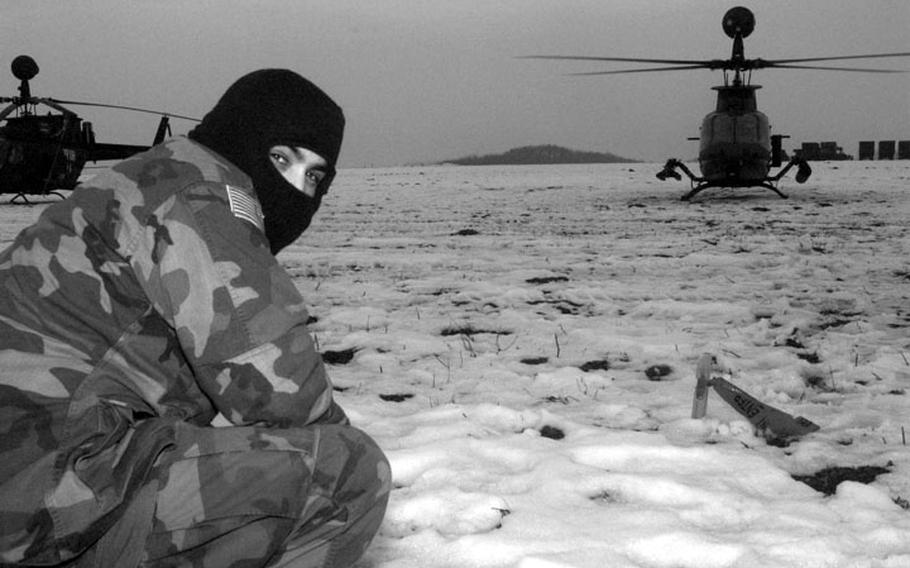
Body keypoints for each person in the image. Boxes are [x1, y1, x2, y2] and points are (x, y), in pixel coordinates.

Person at [0, 69, 390, 567]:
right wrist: (338, 435)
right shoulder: (202, 191)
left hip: (33, 476)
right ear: (241, 140)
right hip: (42, 498)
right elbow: (280, 385)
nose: (295, 187)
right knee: (347, 473)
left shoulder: (157, 175)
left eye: (313, 176)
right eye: (281, 158)